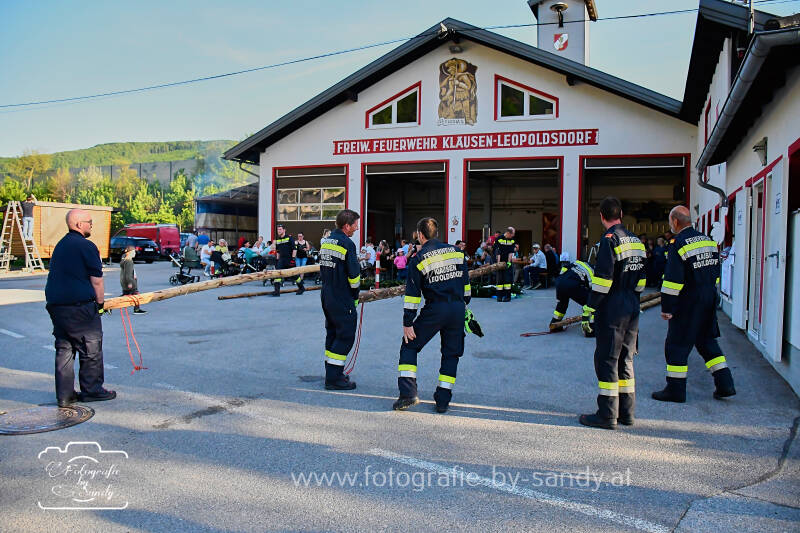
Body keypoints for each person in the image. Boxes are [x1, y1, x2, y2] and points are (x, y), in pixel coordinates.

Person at [653, 205, 735, 403]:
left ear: (675, 221)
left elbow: (673, 281)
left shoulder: (678, 243)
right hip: (709, 297)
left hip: (688, 301)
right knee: (707, 341)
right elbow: (715, 271)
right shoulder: (707, 240)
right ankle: (725, 384)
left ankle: (675, 390)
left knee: (676, 345)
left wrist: (667, 308)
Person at [579, 197, 646, 430]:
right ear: (621, 215)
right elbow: (642, 281)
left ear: (601, 216)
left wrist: (589, 308)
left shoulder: (609, 240)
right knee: (626, 358)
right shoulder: (636, 240)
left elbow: (602, 281)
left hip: (613, 306)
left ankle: (607, 415)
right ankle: (627, 413)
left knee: (607, 358)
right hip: (632, 304)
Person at [394, 217, 471, 413]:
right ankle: (443, 400)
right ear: (436, 233)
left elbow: (413, 296)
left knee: (409, 345)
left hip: (435, 309)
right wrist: (462, 306)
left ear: (420, 235)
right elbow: (467, 288)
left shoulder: (419, 259)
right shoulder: (457, 252)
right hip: (457, 308)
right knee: (451, 354)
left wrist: (408, 322)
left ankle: (408, 394)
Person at [44, 209, 116, 407]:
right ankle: (92, 390)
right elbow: (97, 281)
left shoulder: (60, 245)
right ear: (78, 224)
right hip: (79, 307)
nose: (91, 224)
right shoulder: (86, 246)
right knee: (90, 346)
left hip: (57, 306)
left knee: (64, 349)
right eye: (89, 221)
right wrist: (100, 305)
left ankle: (65, 395)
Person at [318, 209, 361, 390]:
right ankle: (334, 379)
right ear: (346, 226)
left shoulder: (326, 242)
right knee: (345, 335)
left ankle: (331, 372)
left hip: (327, 295)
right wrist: (355, 297)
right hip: (342, 296)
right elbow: (354, 276)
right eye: (355, 225)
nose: (357, 228)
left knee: (332, 333)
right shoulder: (347, 244)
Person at [550, 260, 594, 336]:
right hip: (572, 284)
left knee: (561, 305)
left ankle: (555, 324)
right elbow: (593, 289)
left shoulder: (579, 263)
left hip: (560, 281)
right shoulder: (593, 272)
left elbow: (564, 268)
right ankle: (588, 330)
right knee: (590, 304)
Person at [272, 224, 299, 296]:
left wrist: (293, 259)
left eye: (280, 229)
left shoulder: (289, 238)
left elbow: (294, 249)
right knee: (277, 274)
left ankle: (301, 288)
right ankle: (277, 292)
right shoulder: (277, 240)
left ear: (284, 230)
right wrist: (277, 260)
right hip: (281, 260)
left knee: (295, 275)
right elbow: (278, 251)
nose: (278, 231)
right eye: (278, 229)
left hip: (289, 259)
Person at [119, 245, 146, 314]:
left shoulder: (124, 258)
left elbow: (124, 254)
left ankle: (110, 306)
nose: (135, 253)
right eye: (134, 252)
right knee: (136, 295)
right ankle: (137, 310)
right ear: (130, 252)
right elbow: (128, 274)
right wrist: (130, 283)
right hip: (130, 281)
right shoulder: (129, 261)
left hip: (124, 281)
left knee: (124, 296)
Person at [494, 227, 516, 302]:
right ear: (508, 233)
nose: (513, 235)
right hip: (500, 261)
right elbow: (498, 252)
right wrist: (498, 263)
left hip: (507, 262)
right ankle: (499, 297)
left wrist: (509, 262)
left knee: (507, 280)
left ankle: (507, 297)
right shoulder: (499, 239)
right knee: (499, 280)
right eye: (513, 234)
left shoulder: (512, 240)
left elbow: (511, 252)